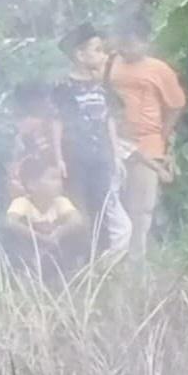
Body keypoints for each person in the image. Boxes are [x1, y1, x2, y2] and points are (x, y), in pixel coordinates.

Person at [105, 20, 188, 256]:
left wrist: (161, 136)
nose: (126, 49)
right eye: (123, 44)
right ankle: (116, 257)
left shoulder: (159, 69)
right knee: (115, 204)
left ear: (145, 42)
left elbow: (176, 105)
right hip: (115, 142)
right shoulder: (111, 64)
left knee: (141, 207)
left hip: (148, 144)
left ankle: (138, 260)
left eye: (132, 44)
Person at [58, 26, 127, 258]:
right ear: (79, 55)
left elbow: (109, 121)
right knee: (79, 209)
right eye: (97, 50)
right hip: (76, 157)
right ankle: (78, 261)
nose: (103, 55)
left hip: (102, 157)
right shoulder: (64, 87)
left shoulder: (102, 86)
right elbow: (56, 122)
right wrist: (58, 158)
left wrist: (116, 155)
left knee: (101, 207)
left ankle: (101, 260)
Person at [3, 157, 86, 280]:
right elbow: (10, 222)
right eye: (53, 178)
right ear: (32, 185)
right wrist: (39, 237)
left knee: (79, 232)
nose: (59, 183)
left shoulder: (60, 202)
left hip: (54, 248)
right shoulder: (22, 202)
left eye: (59, 179)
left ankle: (69, 272)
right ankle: (24, 274)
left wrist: (58, 234)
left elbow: (77, 220)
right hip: (31, 249)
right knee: (13, 236)